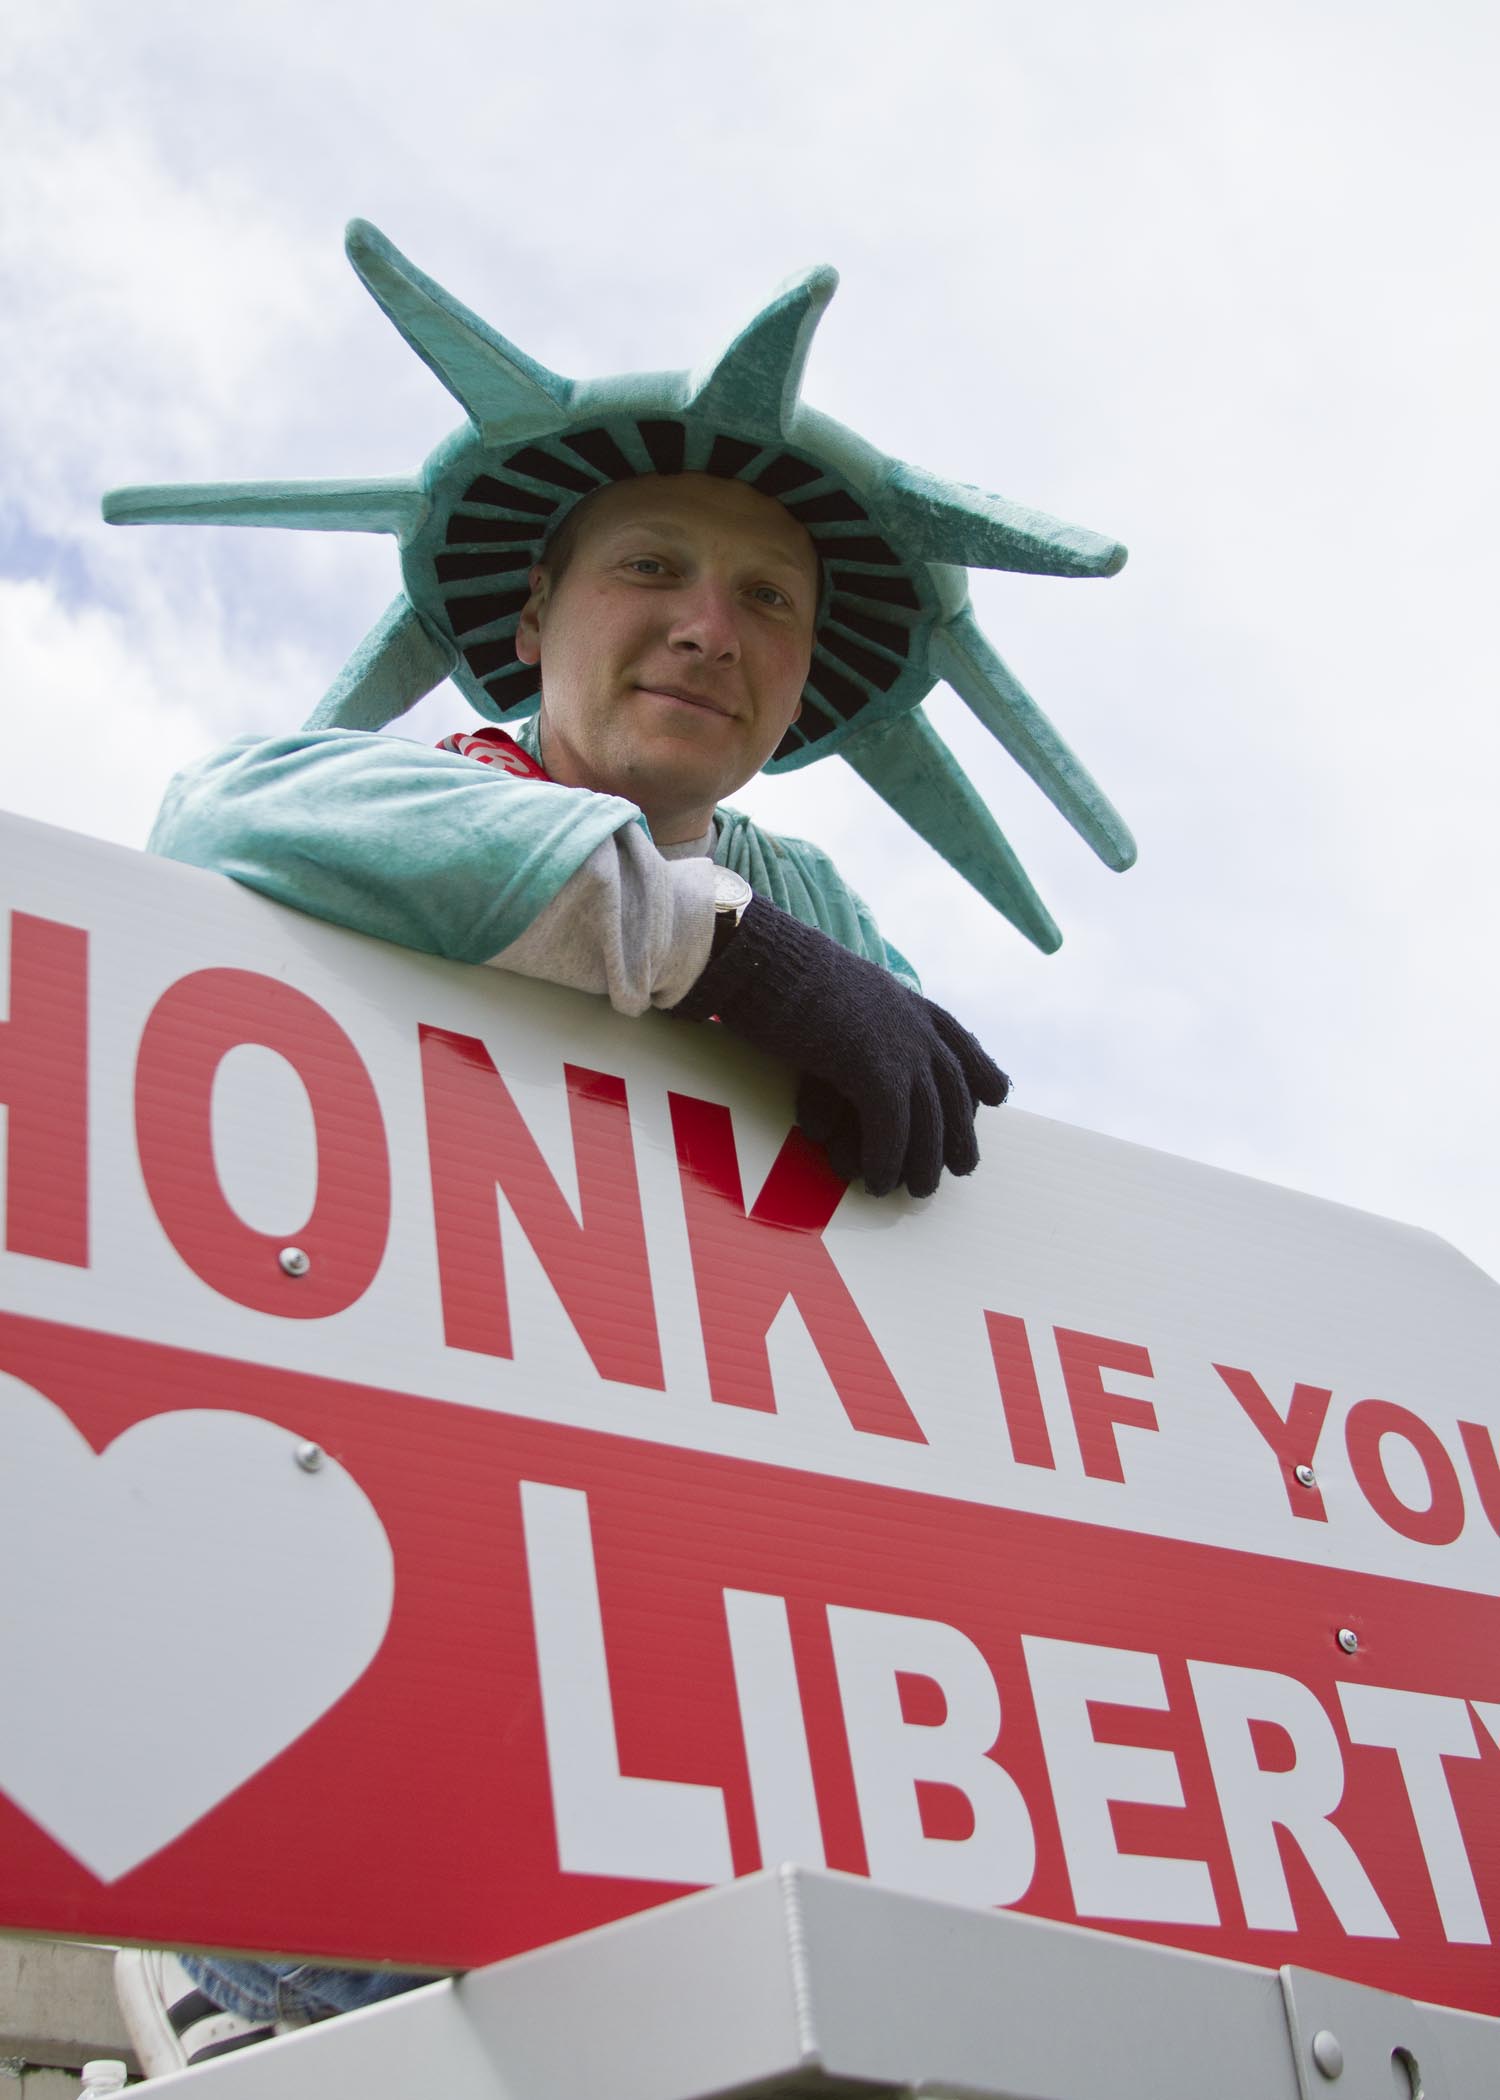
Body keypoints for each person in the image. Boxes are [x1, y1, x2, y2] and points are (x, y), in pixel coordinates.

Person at [107, 223, 1133, 2075]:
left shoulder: (824, 908)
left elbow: (957, 1268)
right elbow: (212, 818)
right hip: (382, 1766)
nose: (708, 629)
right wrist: (711, 952)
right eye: (653, 567)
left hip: (728, 1738)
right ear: (531, 619)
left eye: (770, 601)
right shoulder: (391, 800)